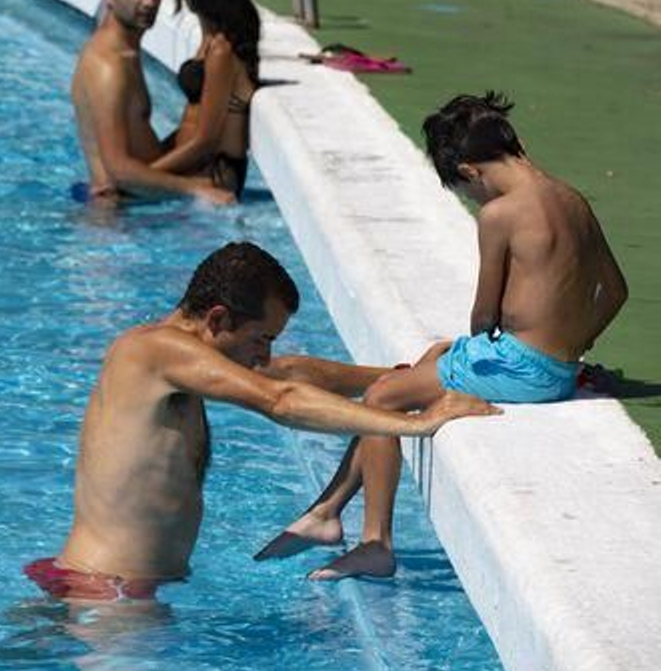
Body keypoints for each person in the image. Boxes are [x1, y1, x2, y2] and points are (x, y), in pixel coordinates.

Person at [256, 91, 628, 580]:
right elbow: (616, 291)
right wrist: (575, 343)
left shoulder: (499, 216)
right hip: (553, 367)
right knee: (431, 358)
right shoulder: (572, 200)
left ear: (471, 172)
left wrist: (497, 340)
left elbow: (483, 317)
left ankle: (375, 543)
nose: (473, 199)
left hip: (521, 369)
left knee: (383, 395)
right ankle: (326, 513)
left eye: (465, 189)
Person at [26, 242, 498, 603]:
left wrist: (409, 380)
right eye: (261, 338)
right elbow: (282, 397)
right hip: (109, 594)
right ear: (217, 318)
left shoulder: (185, 353)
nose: (265, 353)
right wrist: (421, 424)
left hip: (115, 584)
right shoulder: (153, 351)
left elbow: (287, 372)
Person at [71, 0, 234, 206]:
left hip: (136, 204)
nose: (150, 2)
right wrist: (194, 188)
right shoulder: (108, 67)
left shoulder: (125, 54)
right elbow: (118, 170)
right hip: (116, 218)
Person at [150, 0, 260, 196]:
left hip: (213, 174)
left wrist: (146, 175)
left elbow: (207, 140)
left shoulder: (222, 51)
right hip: (195, 165)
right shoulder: (210, 40)